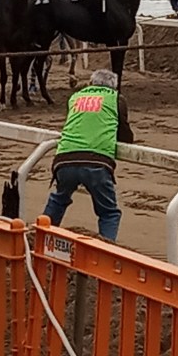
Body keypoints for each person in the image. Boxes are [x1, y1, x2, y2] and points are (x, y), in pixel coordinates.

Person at [42, 69, 134, 241]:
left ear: (91, 83)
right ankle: (105, 249)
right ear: (114, 87)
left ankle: (42, 236)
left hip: (64, 158)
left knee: (59, 199)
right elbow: (125, 134)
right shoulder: (116, 99)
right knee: (109, 212)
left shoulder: (75, 97)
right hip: (97, 162)